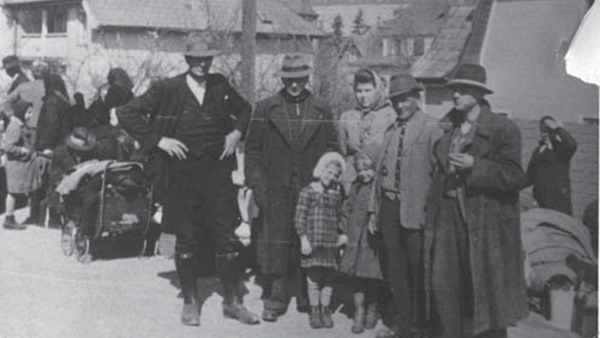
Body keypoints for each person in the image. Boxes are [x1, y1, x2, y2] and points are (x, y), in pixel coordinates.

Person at [110, 39, 259, 326]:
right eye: (196, 58)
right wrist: (159, 140)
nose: (202, 64)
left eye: (207, 59)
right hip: (181, 175)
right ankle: (191, 303)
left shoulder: (220, 84)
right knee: (187, 238)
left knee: (226, 237)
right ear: (187, 58)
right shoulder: (169, 88)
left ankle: (232, 302)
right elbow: (126, 113)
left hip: (216, 174)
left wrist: (237, 132)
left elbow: (245, 109)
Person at [424, 64, 528, 338]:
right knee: (446, 285)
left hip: (484, 223)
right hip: (448, 219)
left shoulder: (503, 128)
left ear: (478, 94)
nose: (454, 94)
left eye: (461, 89)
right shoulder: (448, 126)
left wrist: (476, 166)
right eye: (453, 89)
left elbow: (515, 176)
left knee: (485, 290)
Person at [244, 54, 338, 322]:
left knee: (309, 236)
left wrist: (325, 182)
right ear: (283, 80)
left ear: (307, 79)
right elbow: (251, 151)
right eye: (289, 80)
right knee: (277, 238)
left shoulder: (321, 108)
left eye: (299, 80)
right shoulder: (266, 108)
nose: (294, 85)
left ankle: (308, 293)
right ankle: (277, 292)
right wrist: (260, 186)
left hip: (312, 186)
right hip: (276, 186)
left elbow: (332, 147)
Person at [368, 73, 441, 338]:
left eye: (405, 100)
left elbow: (439, 176)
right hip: (389, 208)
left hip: (416, 213)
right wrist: (373, 211)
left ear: (417, 97)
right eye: (396, 101)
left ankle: (422, 328)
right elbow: (379, 174)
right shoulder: (390, 130)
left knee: (418, 273)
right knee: (395, 272)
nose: (400, 106)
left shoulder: (432, 128)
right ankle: (404, 327)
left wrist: (432, 214)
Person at [294, 151, 347, 329]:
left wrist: (341, 237)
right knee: (314, 279)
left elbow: (339, 217)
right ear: (320, 169)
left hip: (330, 243)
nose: (331, 177)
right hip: (314, 243)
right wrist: (303, 239)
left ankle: (325, 309)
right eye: (328, 172)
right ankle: (314, 310)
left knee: (329, 279)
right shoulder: (308, 191)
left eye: (335, 175)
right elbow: (299, 217)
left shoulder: (336, 194)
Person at [339, 152, 385, 334]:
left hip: (372, 240)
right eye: (360, 170)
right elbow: (346, 209)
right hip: (355, 238)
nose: (364, 174)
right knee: (357, 276)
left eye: (368, 169)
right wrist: (344, 230)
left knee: (374, 275)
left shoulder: (378, 187)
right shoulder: (356, 187)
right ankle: (359, 310)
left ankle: (373, 309)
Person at [338, 68, 396, 190]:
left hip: (380, 182)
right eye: (359, 91)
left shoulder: (391, 116)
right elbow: (343, 151)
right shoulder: (347, 117)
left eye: (368, 90)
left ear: (377, 90)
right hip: (353, 182)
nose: (363, 96)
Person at [27, 73, 70, 226]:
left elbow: (51, 126)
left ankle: (40, 218)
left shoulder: (52, 102)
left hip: (50, 149)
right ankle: (54, 218)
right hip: (62, 147)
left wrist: (46, 147)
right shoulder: (64, 100)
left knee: (44, 184)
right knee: (56, 184)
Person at [522, 116, 578, 215]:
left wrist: (557, 128)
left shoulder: (562, 149)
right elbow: (529, 176)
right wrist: (512, 186)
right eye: (543, 130)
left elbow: (572, 144)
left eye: (548, 130)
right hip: (540, 202)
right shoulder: (538, 151)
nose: (545, 133)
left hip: (559, 204)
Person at [47, 126, 98, 229]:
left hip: (82, 188)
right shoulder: (59, 152)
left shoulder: (90, 153)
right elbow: (55, 176)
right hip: (62, 190)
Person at [2, 99, 35, 229]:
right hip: (15, 165)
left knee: (15, 191)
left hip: (18, 164)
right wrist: (22, 150)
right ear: (21, 111)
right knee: (13, 192)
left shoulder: (19, 124)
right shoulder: (15, 126)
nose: (30, 115)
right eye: (28, 112)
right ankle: (9, 218)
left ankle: (10, 218)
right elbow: (8, 147)